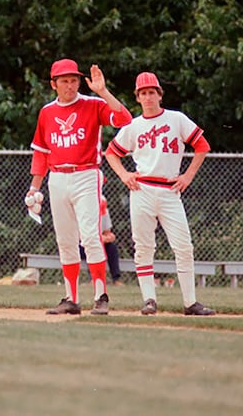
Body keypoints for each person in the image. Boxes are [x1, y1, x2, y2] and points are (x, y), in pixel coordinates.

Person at [27, 58, 132, 315]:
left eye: (74, 80)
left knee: (90, 236)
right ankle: (71, 299)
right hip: (58, 177)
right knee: (65, 240)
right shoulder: (47, 112)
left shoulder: (93, 104)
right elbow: (41, 153)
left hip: (86, 174)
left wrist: (103, 92)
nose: (70, 85)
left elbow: (124, 119)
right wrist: (34, 187)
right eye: (64, 80)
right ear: (54, 84)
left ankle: (100, 296)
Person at [105, 72, 215, 316]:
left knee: (183, 246)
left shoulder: (176, 119)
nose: (147, 97)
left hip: (169, 190)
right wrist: (124, 175)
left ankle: (190, 303)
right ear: (138, 97)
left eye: (151, 92)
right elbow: (111, 152)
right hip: (141, 189)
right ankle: (149, 300)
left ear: (159, 95)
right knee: (144, 247)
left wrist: (187, 176)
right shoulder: (133, 125)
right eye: (143, 93)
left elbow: (202, 145)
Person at [78, 196, 123, 286]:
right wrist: (99, 238)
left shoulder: (104, 212)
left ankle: (116, 279)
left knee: (111, 248)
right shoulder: (82, 211)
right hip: (83, 243)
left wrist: (108, 237)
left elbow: (107, 232)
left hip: (100, 242)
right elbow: (81, 236)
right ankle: (93, 279)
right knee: (91, 246)